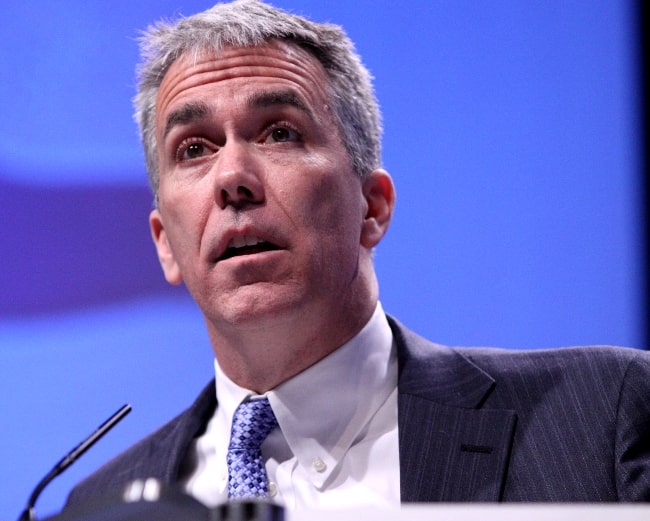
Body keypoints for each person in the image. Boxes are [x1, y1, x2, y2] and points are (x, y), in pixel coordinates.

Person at [63, 0, 650, 510]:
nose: (233, 177)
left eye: (279, 133)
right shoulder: (95, 506)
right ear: (166, 242)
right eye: (194, 148)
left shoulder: (599, 419)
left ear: (372, 207)